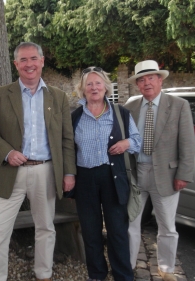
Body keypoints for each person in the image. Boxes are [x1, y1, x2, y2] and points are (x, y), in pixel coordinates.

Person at [0, 42, 76, 281]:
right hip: (8, 171)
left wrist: (69, 173)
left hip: (45, 171)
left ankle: (44, 274)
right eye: (23, 60)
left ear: (42, 61)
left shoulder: (59, 96)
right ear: (16, 64)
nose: (29, 64)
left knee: (45, 227)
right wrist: (7, 152)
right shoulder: (0, 94)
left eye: (33, 58)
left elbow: (66, 138)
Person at [125, 60, 195, 281]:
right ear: (137, 84)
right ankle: (128, 265)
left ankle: (166, 269)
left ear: (160, 79)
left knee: (166, 226)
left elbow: (187, 143)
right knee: (131, 224)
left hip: (166, 175)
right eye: (142, 79)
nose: (147, 83)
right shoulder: (130, 107)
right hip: (136, 175)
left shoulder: (179, 105)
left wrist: (183, 174)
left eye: (151, 78)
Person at [71, 66, 141, 281]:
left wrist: (125, 143)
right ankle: (97, 275)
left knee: (117, 232)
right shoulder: (74, 116)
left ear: (106, 87)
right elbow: (66, 148)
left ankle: (122, 276)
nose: (94, 87)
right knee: (91, 233)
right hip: (84, 180)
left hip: (113, 178)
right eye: (89, 84)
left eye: (98, 83)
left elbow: (137, 142)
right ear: (82, 89)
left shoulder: (121, 113)